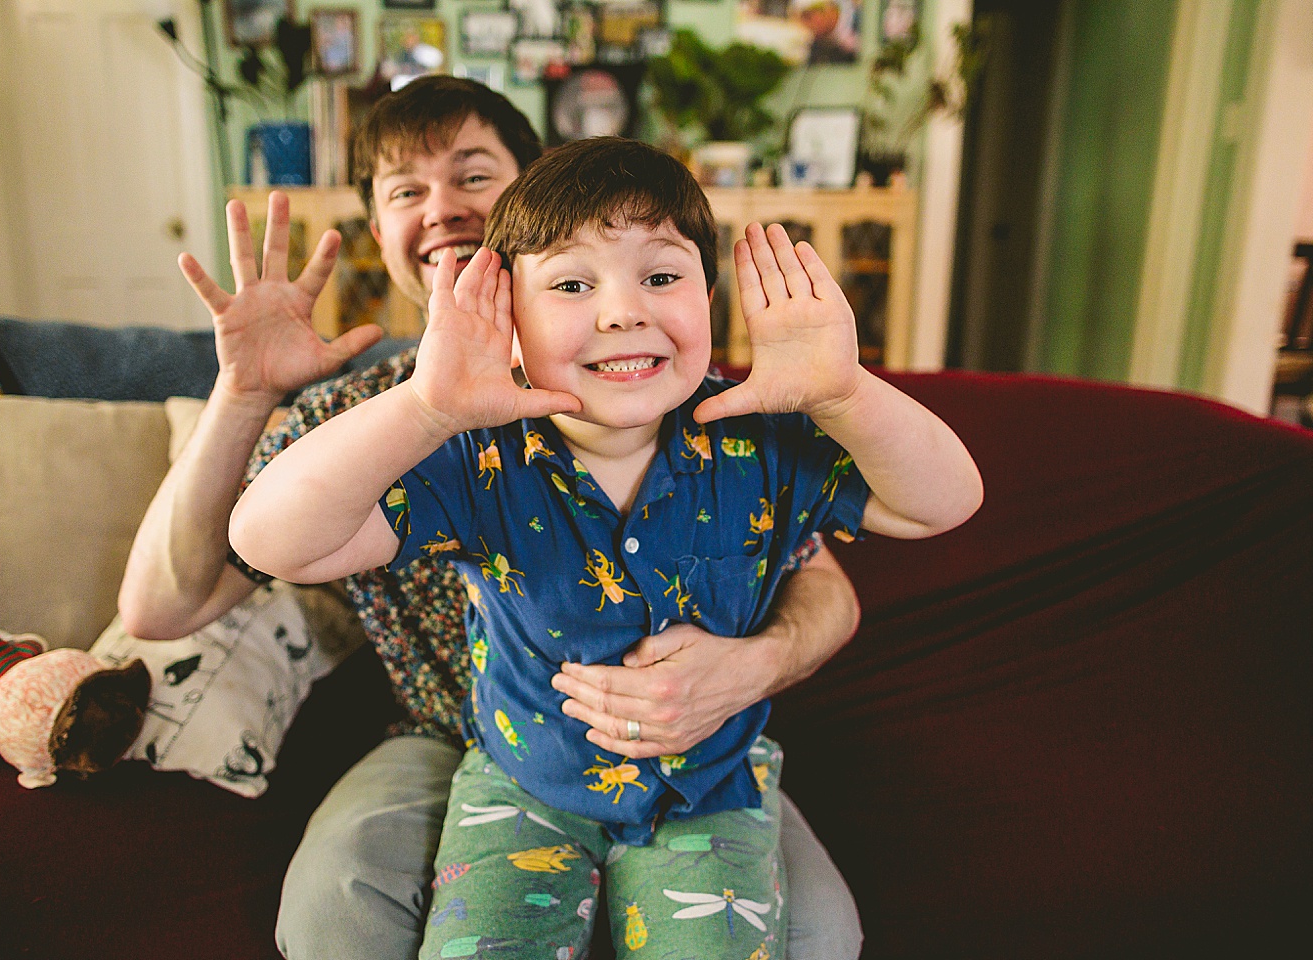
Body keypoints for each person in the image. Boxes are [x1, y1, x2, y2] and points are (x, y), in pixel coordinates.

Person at [120, 77, 865, 959]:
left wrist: (746, 671)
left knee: (817, 937)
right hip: (455, 733)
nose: (441, 209)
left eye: (474, 177)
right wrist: (246, 393)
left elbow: (826, 584)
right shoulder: (357, 417)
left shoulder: (653, 384)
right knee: (334, 915)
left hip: (692, 736)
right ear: (378, 229)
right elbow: (163, 607)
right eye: (405, 191)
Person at [228, 137, 983, 958]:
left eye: (661, 277)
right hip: (523, 786)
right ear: (507, 319)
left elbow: (942, 504)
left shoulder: (767, 437)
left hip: (711, 789)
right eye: (572, 284)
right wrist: (427, 408)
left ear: (709, 297)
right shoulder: (479, 455)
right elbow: (271, 541)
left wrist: (845, 390)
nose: (624, 311)